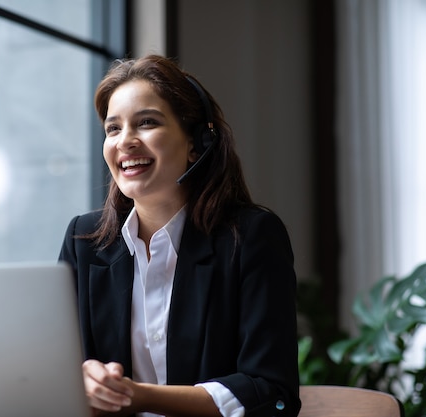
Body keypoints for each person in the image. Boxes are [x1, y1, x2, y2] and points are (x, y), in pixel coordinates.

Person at [59, 55, 300, 417]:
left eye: (147, 123)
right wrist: (83, 379)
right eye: (113, 129)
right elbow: (57, 368)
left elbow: (272, 392)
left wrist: (139, 396)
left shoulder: (250, 237)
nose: (125, 141)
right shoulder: (85, 241)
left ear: (195, 143)